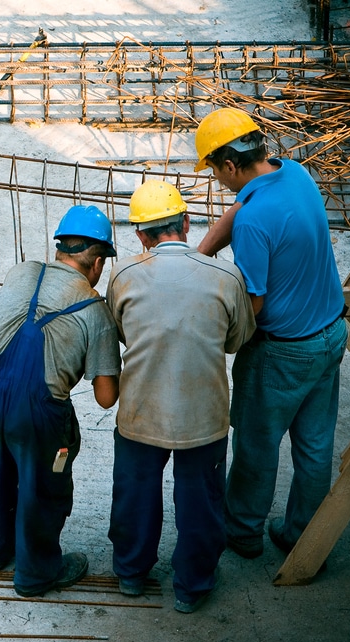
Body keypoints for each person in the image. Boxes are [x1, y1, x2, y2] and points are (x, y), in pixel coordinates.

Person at [195, 107, 348, 562]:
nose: (217, 182)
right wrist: (198, 257)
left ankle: (242, 532)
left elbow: (252, 305)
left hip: (282, 353)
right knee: (316, 446)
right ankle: (302, 533)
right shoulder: (295, 173)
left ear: (229, 166)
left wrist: (217, 333)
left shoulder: (255, 223)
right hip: (330, 334)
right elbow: (241, 207)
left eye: (215, 172)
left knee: (256, 447)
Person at [105, 180, 256, 613]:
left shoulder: (124, 275)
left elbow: (120, 332)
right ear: (187, 223)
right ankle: (193, 585)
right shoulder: (227, 276)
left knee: (135, 496)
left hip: (140, 414)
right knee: (200, 503)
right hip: (202, 417)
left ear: (140, 236)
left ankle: (131, 573)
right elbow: (236, 340)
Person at [0, 204, 121, 598]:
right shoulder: (95, 310)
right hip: (38, 413)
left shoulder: (21, 272)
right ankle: (36, 575)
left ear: (60, 248)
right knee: (42, 489)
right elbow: (106, 399)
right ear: (98, 263)